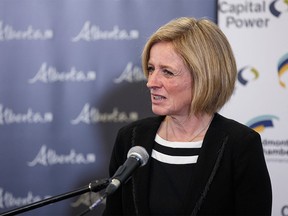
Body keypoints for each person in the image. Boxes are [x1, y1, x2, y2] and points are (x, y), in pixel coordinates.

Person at [102, 17, 272, 215]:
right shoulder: (130, 139)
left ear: (204, 77)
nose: (151, 82)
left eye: (167, 72)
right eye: (151, 69)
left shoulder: (240, 145)